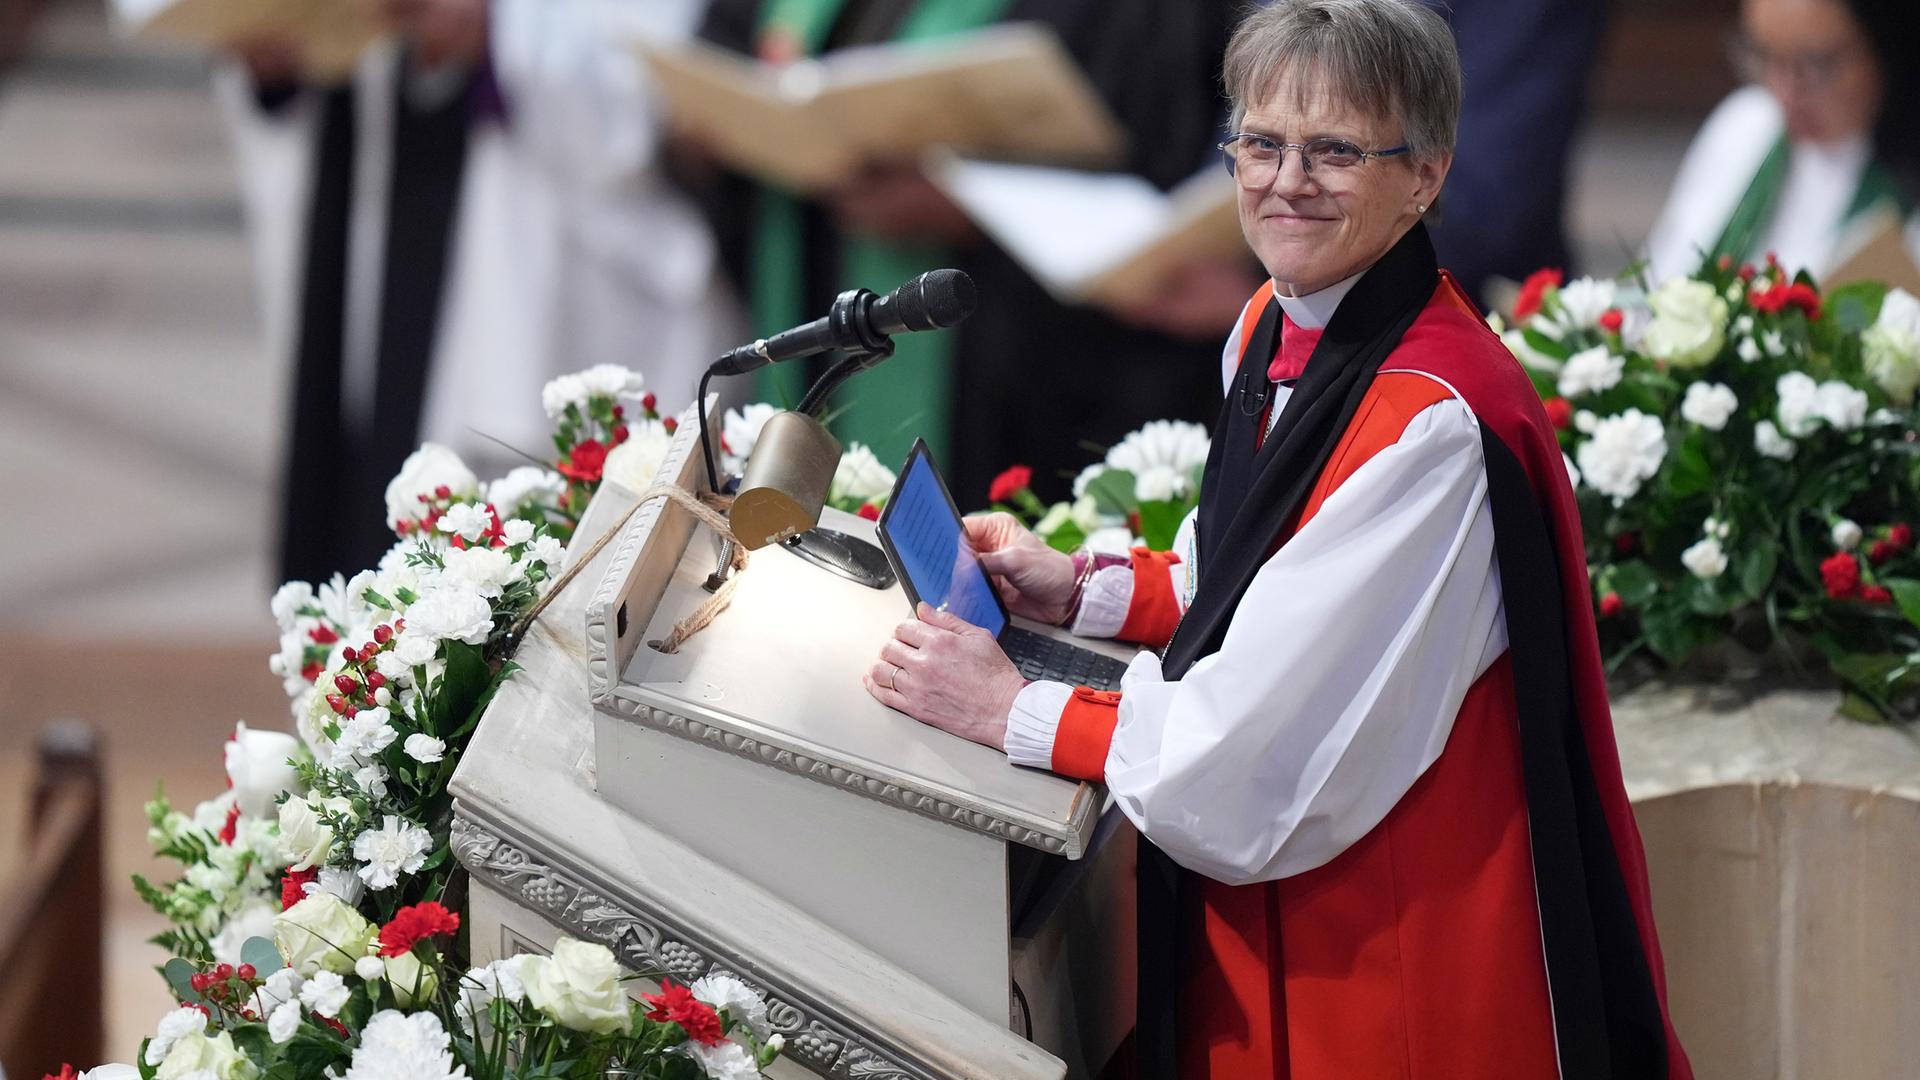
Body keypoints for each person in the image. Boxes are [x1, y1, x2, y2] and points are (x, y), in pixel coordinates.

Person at [863, 2, 1692, 1077]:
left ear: (1427, 173)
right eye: (1261, 143)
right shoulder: (1281, 318)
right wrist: (1082, 589)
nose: (1286, 182)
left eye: (1335, 150)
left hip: (1387, 963)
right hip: (1287, 923)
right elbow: (1257, 569)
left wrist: (1009, 707)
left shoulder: (1430, 421)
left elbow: (1242, 759)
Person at [684, 0, 1236, 505]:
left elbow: (1162, 145)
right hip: (812, 257)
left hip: (1010, 359)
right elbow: (729, 43)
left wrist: (973, 201)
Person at [1646, 0, 1918, 282]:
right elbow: (1661, 273)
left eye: (1816, 65)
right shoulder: (1746, 123)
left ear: (1887, 45)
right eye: (1763, 56)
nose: (1786, 91)